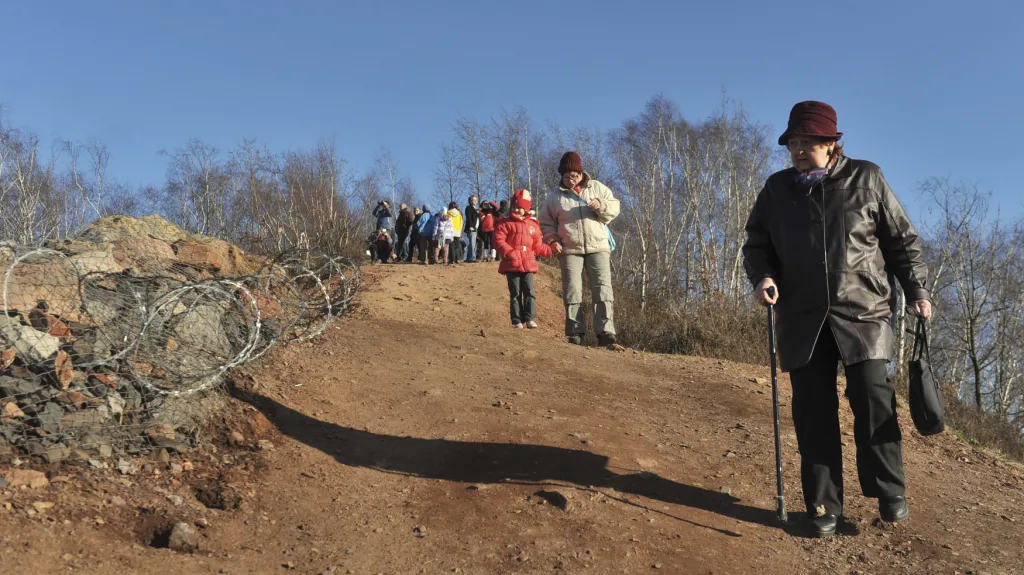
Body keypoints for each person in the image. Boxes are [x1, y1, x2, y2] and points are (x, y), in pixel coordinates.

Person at [741, 101, 931, 538]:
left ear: (831, 144)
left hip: (864, 312)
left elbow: (901, 240)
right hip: (802, 316)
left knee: (873, 397)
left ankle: (889, 490)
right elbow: (756, 242)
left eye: (807, 142)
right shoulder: (776, 189)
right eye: (793, 143)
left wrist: (917, 289)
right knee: (813, 413)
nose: (798, 150)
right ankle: (824, 505)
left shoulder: (867, 178)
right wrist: (763, 276)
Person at [539, 151, 621, 347]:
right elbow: (545, 223)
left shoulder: (597, 187)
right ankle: (575, 331)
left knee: (602, 288)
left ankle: (605, 332)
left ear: (581, 173)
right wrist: (552, 241)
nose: (570, 180)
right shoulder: (554, 197)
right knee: (572, 290)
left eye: (574, 175)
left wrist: (601, 205)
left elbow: (615, 207)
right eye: (566, 176)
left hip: (598, 246)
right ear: (562, 175)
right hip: (569, 249)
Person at [495, 189, 553, 329]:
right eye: (514, 207)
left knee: (529, 292)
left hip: (528, 264)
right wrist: (508, 251)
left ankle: (530, 318)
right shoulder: (505, 223)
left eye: (519, 207)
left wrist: (551, 251)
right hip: (511, 263)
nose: (516, 210)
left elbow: (537, 246)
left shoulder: (533, 225)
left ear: (526, 209)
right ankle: (517, 320)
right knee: (515, 293)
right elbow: (498, 239)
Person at [464, 195, 481, 262]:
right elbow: (469, 218)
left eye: (476, 200)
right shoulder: (469, 208)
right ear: (470, 201)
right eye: (474, 200)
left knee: (472, 243)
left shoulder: (475, 209)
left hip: (475, 228)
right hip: (471, 228)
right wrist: (470, 226)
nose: (475, 201)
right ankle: (472, 258)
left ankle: (469, 258)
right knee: (472, 243)